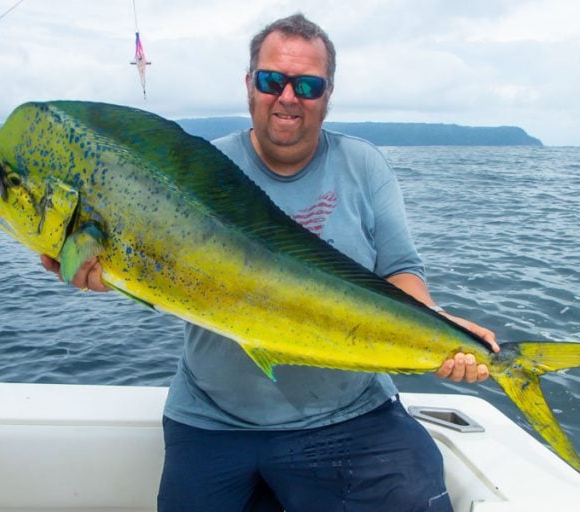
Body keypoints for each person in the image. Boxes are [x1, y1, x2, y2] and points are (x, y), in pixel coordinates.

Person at [42, 13, 499, 512]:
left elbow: (400, 268)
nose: (287, 97)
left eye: (307, 85)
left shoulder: (364, 165)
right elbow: (148, 260)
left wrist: (437, 324)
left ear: (327, 93)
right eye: (271, 80)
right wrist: (103, 270)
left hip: (350, 414)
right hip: (213, 420)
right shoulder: (201, 173)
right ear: (249, 84)